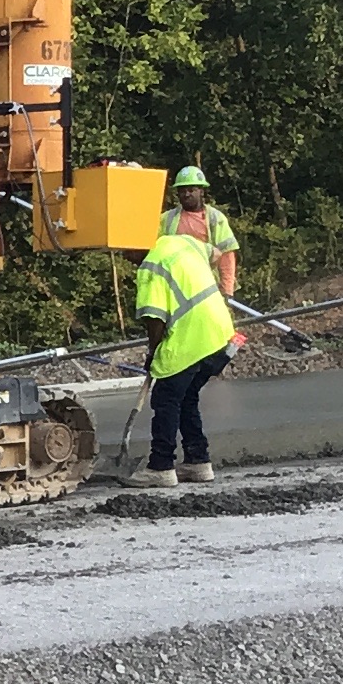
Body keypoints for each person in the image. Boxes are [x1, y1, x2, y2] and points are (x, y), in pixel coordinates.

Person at [126, 223, 235, 486]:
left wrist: (153, 353)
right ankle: (198, 462)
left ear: (138, 245)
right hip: (220, 335)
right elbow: (216, 253)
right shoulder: (182, 242)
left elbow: (155, 318)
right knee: (187, 398)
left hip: (191, 341)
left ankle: (161, 467)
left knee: (166, 400)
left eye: (125, 251)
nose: (125, 257)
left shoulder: (151, 267)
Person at [160, 165, 239, 297]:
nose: (186, 194)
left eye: (191, 190)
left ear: (201, 191)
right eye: (182, 191)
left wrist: (227, 291)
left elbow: (227, 256)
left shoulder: (215, 218)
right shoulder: (166, 219)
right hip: (175, 286)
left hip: (207, 287)